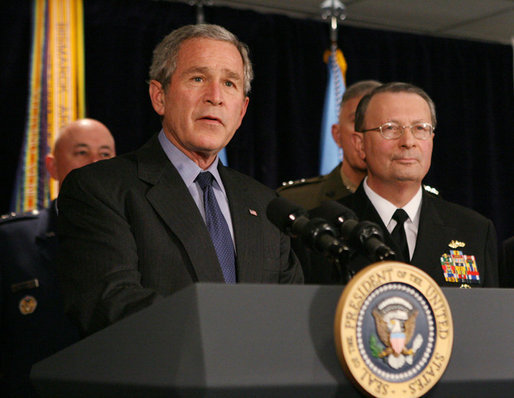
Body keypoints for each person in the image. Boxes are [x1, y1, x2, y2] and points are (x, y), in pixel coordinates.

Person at [56, 24, 303, 337]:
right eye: (198, 78)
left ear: (241, 111)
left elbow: (291, 310)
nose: (215, 97)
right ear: (160, 97)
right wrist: (231, 334)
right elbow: (110, 304)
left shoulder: (267, 204)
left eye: (229, 83)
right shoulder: (100, 189)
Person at [334, 82, 498, 287]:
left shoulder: (474, 230)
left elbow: (491, 316)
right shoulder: (327, 229)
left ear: (432, 140)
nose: (408, 141)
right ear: (361, 145)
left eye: (420, 128)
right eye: (391, 128)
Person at [0, 118, 116, 397]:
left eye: (105, 154)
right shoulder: (10, 241)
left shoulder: (141, 239)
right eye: (81, 152)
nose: (94, 162)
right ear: (52, 166)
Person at [277, 80, 381, 209]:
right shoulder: (295, 201)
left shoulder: (411, 199)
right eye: (357, 121)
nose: (366, 132)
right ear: (337, 135)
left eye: (379, 123)